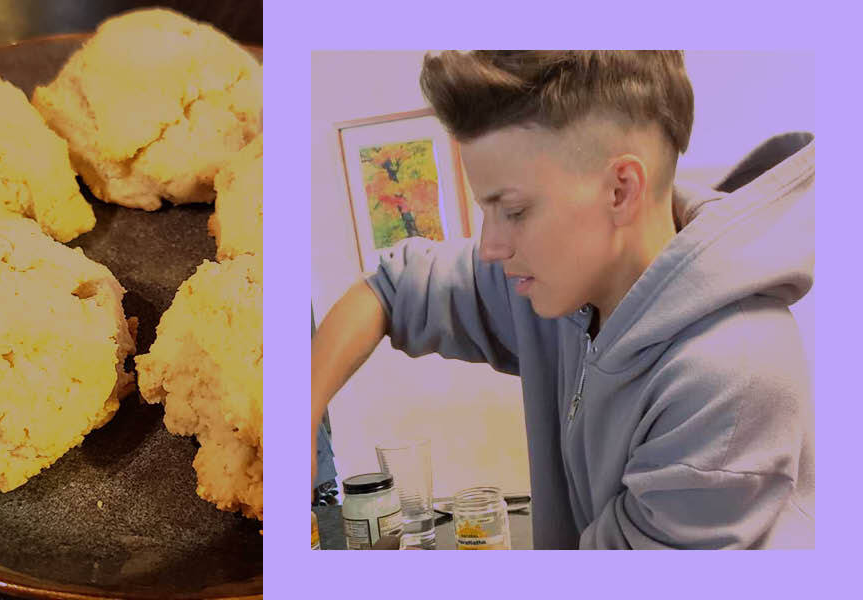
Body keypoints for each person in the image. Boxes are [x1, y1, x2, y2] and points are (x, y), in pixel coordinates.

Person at [310, 51, 813, 549]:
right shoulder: (567, 282)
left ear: (620, 190)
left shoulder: (729, 377)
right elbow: (388, 290)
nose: (490, 246)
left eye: (513, 210)